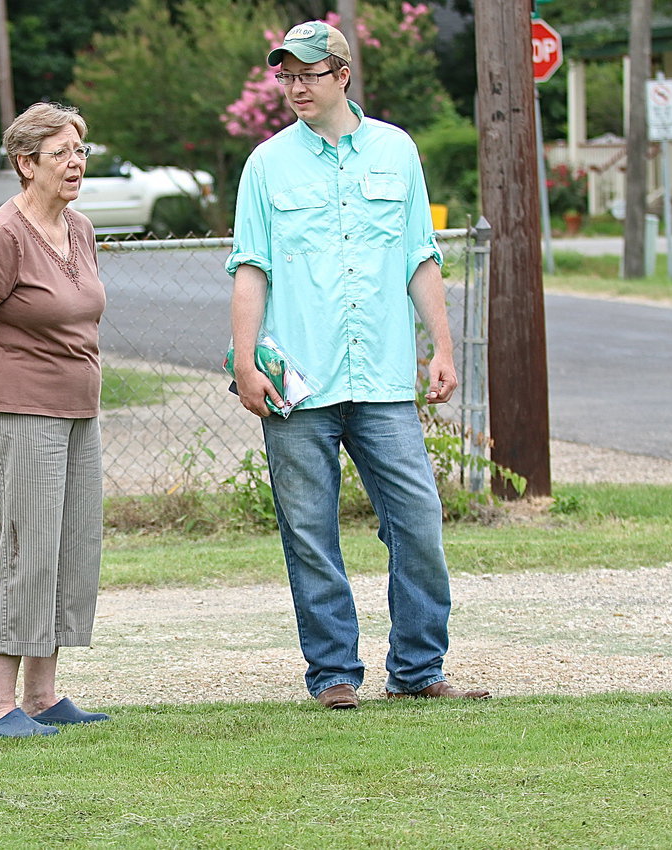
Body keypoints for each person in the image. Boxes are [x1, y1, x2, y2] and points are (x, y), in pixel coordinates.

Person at [227, 21, 490, 710]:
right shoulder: (267, 165)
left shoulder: (396, 153)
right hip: (298, 382)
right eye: (286, 75)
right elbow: (249, 269)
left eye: (309, 73)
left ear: (342, 75)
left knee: (419, 520)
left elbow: (419, 257)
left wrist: (443, 345)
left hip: (381, 377)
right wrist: (247, 362)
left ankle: (418, 667)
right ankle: (334, 674)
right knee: (309, 534)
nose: (295, 87)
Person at [0, 102, 111, 738]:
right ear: (25, 163)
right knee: (23, 552)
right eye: (62, 153)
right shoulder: (1, 237)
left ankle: (42, 695)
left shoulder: (81, 229)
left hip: (76, 411)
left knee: (68, 551)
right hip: (20, 413)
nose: (76, 163)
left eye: (81, 151)